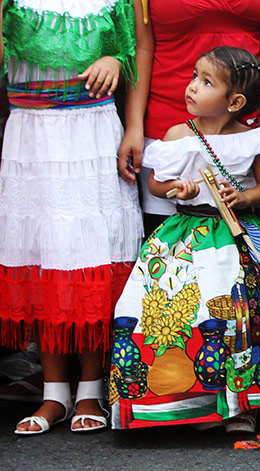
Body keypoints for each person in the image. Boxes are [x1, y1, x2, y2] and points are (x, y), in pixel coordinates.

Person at [116, 0, 260, 414]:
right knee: (192, 286)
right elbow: (142, 49)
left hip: (255, 130)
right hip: (176, 132)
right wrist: (135, 126)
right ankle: (200, 400)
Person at [0, 0, 145, 434]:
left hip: (94, 128)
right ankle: (54, 393)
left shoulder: (117, 1)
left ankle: (91, 391)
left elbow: (138, 51)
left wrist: (116, 58)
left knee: (93, 252)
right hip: (31, 134)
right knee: (46, 253)